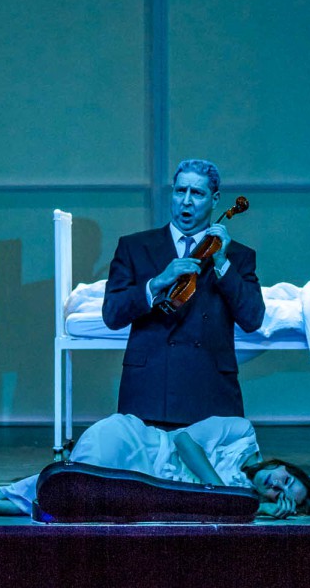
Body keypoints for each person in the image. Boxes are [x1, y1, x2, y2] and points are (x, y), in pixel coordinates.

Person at [102, 158, 265, 426]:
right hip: (149, 391)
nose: (186, 201)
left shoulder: (238, 256)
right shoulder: (134, 247)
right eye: (180, 191)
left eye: (197, 193)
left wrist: (222, 263)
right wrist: (156, 283)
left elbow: (252, 318)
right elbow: (112, 315)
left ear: (215, 199)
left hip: (211, 393)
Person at [0, 414, 310, 518]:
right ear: (285, 466)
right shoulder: (242, 433)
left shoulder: (246, 499)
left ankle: (17, 504)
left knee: (98, 499)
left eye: (282, 495)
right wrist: (222, 493)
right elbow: (185, 441)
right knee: (86, 475)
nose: (277, 486)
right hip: (139, 445)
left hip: (148, 485)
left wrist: (258, 508)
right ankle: (3, 494)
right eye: (286, 480)